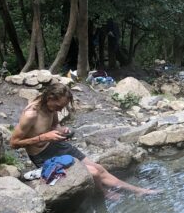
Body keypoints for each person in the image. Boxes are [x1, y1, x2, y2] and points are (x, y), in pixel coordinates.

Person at [10, 84, 157, 196]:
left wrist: (61, 130)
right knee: (93, 173)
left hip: (57, 146)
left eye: (62, 107)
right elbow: (13, 143)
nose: (60, 110)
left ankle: (138, 191)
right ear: (49, 98)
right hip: (44, 156)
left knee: (99, 168)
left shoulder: (51, 107)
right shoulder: (31, 114)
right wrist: (43, 137)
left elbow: (54, 124)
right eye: (58, 106)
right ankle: (103, 194)